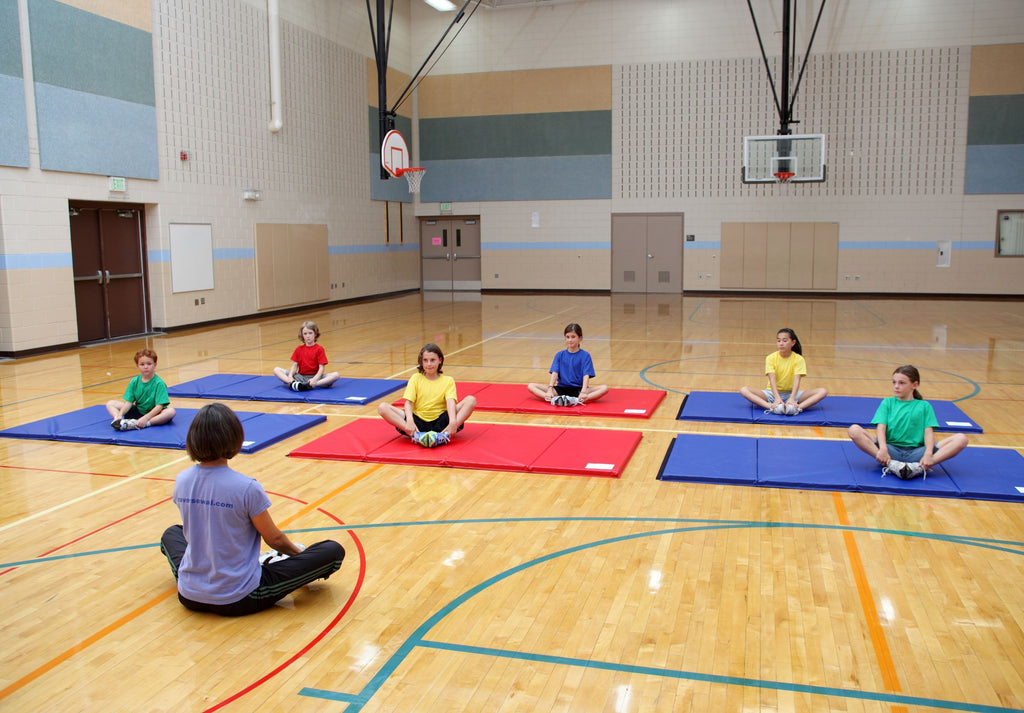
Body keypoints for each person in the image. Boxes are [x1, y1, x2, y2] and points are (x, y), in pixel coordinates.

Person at [159, 403, 345, 616]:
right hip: (239, 597)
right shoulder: (246, 487)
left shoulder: (182, 480)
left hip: (189, 594)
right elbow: (273, 539)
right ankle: (267, 563)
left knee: (171, 533)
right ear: (234, 438)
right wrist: (298, 557)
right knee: (332, 551)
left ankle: (198, 578)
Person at [848, 365, 968, 480]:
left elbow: (928, 433)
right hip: (891, 450)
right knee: (854, 430)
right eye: (894, 382)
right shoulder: (887, 403)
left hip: (917, 452)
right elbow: (881, 428)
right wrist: (883, 449)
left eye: (902, 383)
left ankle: (919, 467)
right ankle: (892, 464)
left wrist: (928, 454)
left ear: (915, 385)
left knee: (961, 439)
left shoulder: (924, 406)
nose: (896, 386)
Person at [377, 343, 476, 447]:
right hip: (418, 423)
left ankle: (445, 434)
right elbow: (408, 403)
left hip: (441, 422)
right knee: (382, 407)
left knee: (471, 400)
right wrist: (410, 422)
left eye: (432, 360)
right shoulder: (416, 378)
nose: (429, 364)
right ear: (421, 361)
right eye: (425, 360)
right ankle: (415, 435)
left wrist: (452, 422)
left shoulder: (448, 380)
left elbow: (450, 402)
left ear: (440, 360)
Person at [739, 327, 827, 415]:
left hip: (791, 393)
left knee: (822, 391)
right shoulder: (771, 358)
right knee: (744, 390)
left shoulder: (799, 359)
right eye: (779, 341)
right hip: (772, 394)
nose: (781, 344)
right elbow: (772, 379)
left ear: (793, 342)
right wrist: (777, 398)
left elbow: (797, 380)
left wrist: (792, 398)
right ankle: (772, 407)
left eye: (785, 341)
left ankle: (796, 408)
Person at [527, 323, 609, 407]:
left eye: (573, 337)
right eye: (567, 337)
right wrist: (550, 389)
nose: (570, 340)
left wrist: (584, 391)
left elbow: (586, 375)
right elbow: (555, 373)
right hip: (561, 389)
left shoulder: (585, 355)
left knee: (604, 388)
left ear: (580, 338)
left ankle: (576, 400)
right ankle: (555, 399)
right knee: (531, 386)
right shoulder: (559, 354)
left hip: (579, 389)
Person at [106, 348, 177, 430]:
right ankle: (118, 421)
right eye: (142, 364)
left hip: (154, 414)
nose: (145, 367)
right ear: (137, 366)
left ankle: (144, 424)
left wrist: (146, 418)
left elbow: (159, 406)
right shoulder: (134, 381)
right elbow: (128, 402)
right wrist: (120, 414)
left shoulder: (159, 383)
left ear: (155, 364)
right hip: (139, 411)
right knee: (110, 403)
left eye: (149, 364)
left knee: (171, 412)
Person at [273, 320, 340, 391]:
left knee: (336, 375)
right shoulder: (299, 349)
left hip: (315, 376)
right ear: (302, 335)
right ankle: (293, 383)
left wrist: (315, 379)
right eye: (305, 334)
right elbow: (295, 365)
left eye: (310, 333)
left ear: (315, 334)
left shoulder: (319, 349)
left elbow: (321, 368)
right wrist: (290, 377)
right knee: (276, 370)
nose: (308, 336)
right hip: (300, 376)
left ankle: (309, 385)